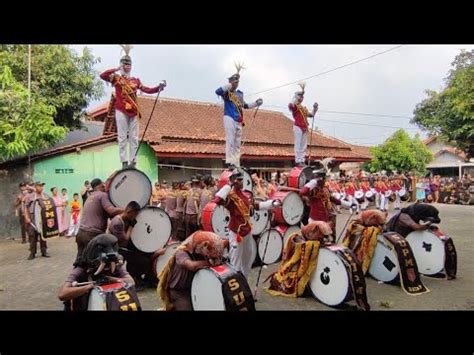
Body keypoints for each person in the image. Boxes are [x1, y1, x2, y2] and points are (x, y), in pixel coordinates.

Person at [100, 46, 166, 169]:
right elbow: (103, 75)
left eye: (129, 64)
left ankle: (133, 162)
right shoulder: (116, 78)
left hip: (133, 111)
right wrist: (116, 68)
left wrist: (159, 87)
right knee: (122, 137)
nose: (127, 66)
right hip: (121, 109)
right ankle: (124, 162)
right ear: (121, 65)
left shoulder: (135, 80)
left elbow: (147, 89)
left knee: (134, 138)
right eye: (125, 64)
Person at [212, 169, 281, 278]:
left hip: (247, 231)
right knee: (235, 262)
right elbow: (217, 200)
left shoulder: (245, 194)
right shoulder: (230, 196)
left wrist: (271, 204)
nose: (242, 182)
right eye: (239, 180)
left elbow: (254, 206)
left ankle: (244, 284)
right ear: (234, 181)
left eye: (242, 179)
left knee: (248, 260)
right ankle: (235, 286)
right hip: (236, 232)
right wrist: (228, 185)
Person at [58, 233, 137, 311]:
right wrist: (90, 286)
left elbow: (131, 282)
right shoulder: (81, 270)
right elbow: (62, 294)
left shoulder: (115, 266)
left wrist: (110, 279)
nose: (107, 268)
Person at [157, 231, 229, 311]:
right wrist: (210, 262)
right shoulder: (181, 252)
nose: (209, 257)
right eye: (209, 254)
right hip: (179, 292)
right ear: (203, 246)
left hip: (195, 287)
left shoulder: (200, 251)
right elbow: (191, 266)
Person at [108, 201, 165, 290]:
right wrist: (131, 227)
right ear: (129, 212)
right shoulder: (117, 223)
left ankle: (139, 278)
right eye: (134, 215)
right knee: (143, 260)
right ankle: (134, 279)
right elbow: (125, 240)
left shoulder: (126, 219)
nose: (135, 217)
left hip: (126, 247)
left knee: (144, 253)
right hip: (117, 248)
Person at [215, 63, 263, 167]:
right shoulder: (227, 91)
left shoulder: (240, 94)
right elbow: (217, 91)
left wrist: (256, 103)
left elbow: (245, 105)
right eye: (234, 81)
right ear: (230, 82)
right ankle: (230, 162)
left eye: (237, 81)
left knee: (237, 143)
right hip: (229, 116)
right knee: (230, 140)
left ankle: (235, 162)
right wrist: (228, 85)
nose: (236, 83)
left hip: (238, 119)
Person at [75, 178, 124, 261]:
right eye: (103, 185)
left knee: (80, 261)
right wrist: (126, 209)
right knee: (96, 262)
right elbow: (111, 211)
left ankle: (74, 273)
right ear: (101, 185)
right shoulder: (102, 195)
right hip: (92, 234)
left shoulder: (90, 196)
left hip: (81, 233)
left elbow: (105, 213)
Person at [300, 172, 342, 237]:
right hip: (315, 219)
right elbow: (303, 192)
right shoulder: (312, 189)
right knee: (314, 239)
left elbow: (332, 198)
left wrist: (345, 203)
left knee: (329, 239)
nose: (323, 181)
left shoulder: (325, 189)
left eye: (323, 179)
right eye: (321, 179)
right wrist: (314, 182)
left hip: (326, 218)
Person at [288, 83, 318, 167]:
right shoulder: (295, 106)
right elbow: (290, 105)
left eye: (302, 97)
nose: (301, 98)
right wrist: (295, 96)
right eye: (300, 97)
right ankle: (297, 160)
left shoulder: (303, 108)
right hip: (297, 126)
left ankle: (302, 159)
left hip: (304, 127)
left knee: (303, 145)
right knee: (298, 144)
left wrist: (315, 109)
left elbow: (311, 115)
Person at [23, 182, 51, 260]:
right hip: (33, 217)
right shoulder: (30, 196)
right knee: (32, 236)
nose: (41, 187)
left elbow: (50, 206)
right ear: (35, 187)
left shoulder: (45, 195)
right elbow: (26, 207)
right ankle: (32, 253)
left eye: (42, 186)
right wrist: (27, 217)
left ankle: (44, 251)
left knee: (43, 236)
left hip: (42, 217)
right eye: (39, 186)